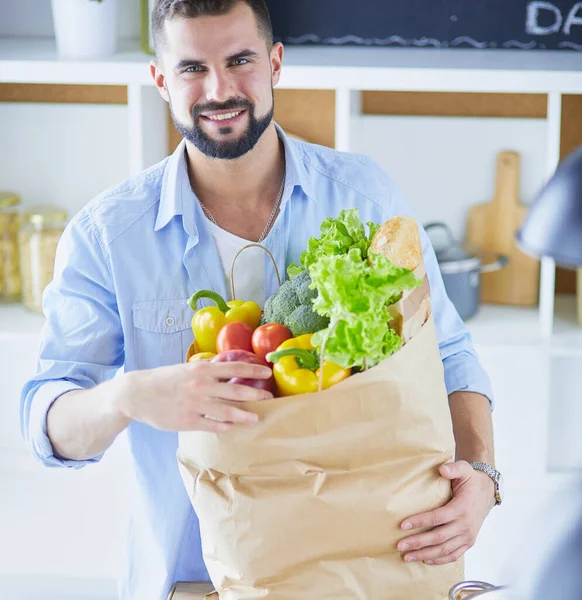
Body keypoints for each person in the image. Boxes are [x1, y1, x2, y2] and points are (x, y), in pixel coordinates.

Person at [20, 1, 500, 599]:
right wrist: (130, 395)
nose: (220, 89)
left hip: (366, 569)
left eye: (240, 60)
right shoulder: (106, 235)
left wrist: (481, 473)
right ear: (160, 79)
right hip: (188, 577)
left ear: (275, 63)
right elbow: (48, 426)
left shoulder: (363, 194)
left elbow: (448, 353)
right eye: (192, 67)